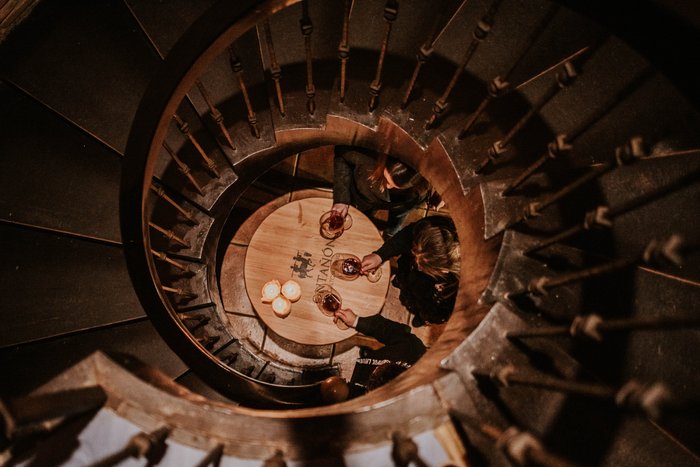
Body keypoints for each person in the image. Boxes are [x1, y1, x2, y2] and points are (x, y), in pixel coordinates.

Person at [361, 215, 460, 327]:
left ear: (444, 270)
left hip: (426, 302)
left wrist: (428, 318)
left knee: (424, 313)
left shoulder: (457, 294)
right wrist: (380, 255)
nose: (416, 266)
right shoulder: (436, 227)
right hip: (407, 281)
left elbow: (445, 314)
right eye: (413, 253)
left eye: (423, 266)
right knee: (403, 289)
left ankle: (421, 318)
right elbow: (406, 236)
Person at [331, 145, 435, 238]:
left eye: (395, 186)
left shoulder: (420, 188)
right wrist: (341, 198)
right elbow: (342, 154)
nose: (388, 187)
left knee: (397, 219)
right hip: (365, 197)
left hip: (401, 204)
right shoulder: (367, 155)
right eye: (385, 178)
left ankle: (390, 233)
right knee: (365, 214)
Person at [333, 308, 426, 398]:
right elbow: (389, 330)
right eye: (378, 369)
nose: (374, 370)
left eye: (373, 374)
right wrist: (356, 321)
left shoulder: (366, 400)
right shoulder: (414, 350)